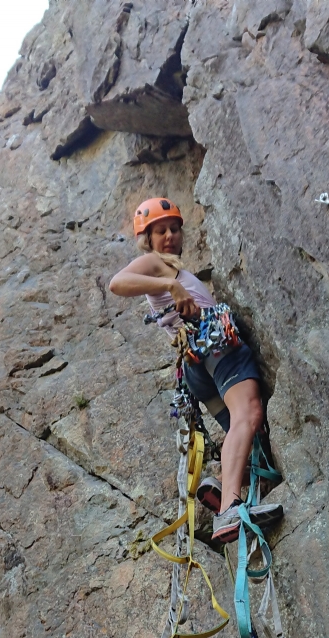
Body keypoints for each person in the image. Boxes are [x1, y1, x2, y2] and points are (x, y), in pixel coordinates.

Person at [108, 197, 283, 544]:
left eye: (174, 229)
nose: (170, 236)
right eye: (160, 231)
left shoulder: (170, 267)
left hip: (195, 368)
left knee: (246, 432)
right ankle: (231, 507)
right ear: (147, 239)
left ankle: (226, 487)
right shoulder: (157, 265)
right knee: (248, 413)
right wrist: (171, 285)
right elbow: (117, 283)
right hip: (213, 343)